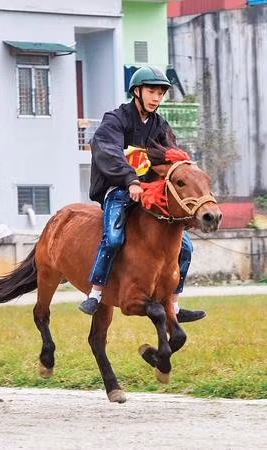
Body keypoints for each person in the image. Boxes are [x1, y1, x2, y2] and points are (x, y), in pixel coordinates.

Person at [78, 66, 206, 323]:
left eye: (160, 93)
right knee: (113, 238)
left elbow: (172, 159)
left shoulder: (160, 126)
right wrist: (130, 180)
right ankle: (96, 292)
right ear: (136, 92)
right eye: (151, 91)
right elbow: (108, 152)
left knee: (187, 247)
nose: (156, 97)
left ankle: (174, 305)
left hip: (150, 194)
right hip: (119, 188)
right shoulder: (114, 120)